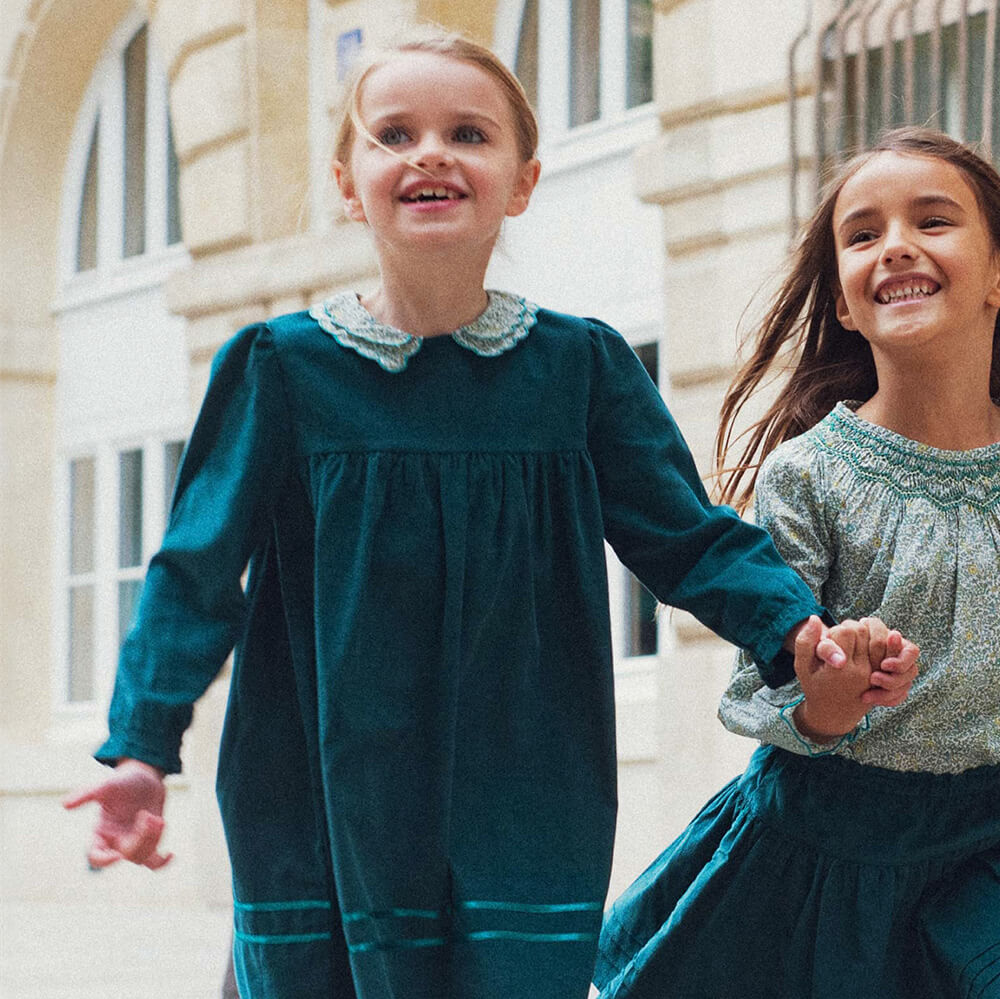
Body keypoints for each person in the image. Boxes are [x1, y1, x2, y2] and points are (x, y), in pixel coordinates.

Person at [63, 31, 912, 999]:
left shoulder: (580, 368)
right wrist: (141, 744)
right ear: (350, 183)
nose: (429, 152)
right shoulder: (276, 369)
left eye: (466, 132)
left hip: (525, 787)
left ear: (521, 181)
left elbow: (686, 535)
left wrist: (791, 627)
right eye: (394, 134)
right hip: (318, 793)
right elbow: (194, 574)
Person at [594, 126, 1000, 999]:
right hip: (818, 871)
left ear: (998, 274)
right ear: (846, 304)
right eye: (863, 234)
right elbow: (764, 681)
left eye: (934, 220)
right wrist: (827, 695)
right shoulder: (812, 474)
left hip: (981, 865)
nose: (896, 244)